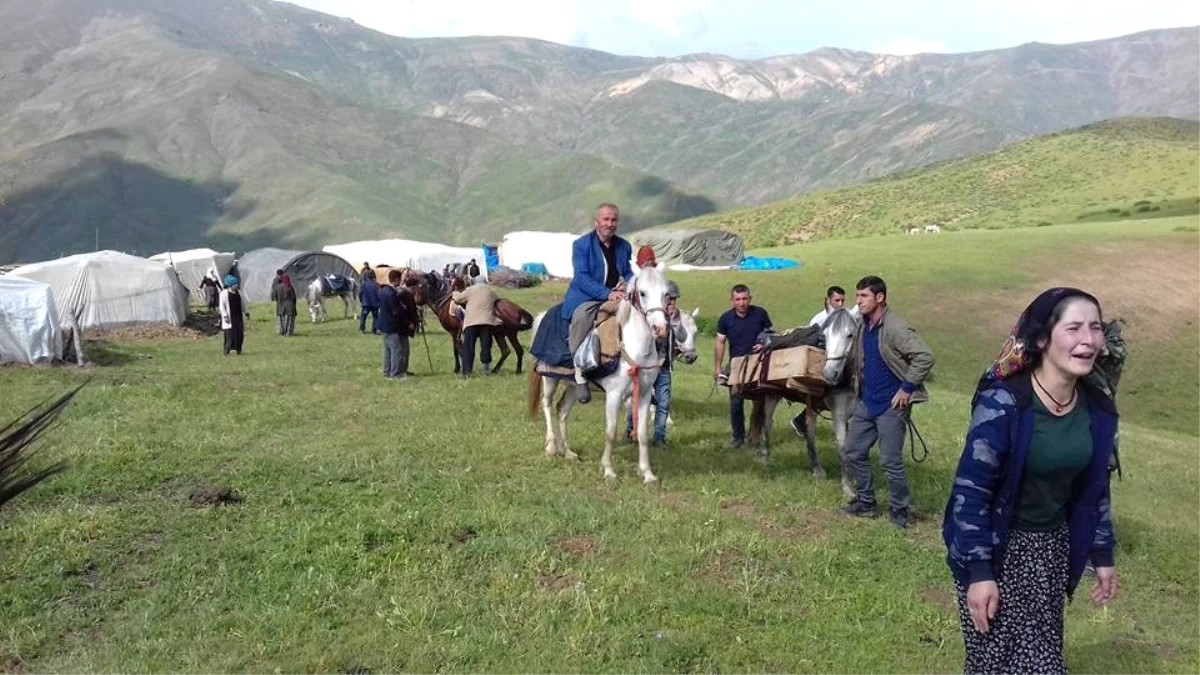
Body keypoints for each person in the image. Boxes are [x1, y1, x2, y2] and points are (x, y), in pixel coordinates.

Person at [943, 288, 1119, 673]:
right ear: (1041, 338)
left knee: (1042, 658)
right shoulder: (1005, 404)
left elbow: (1094, 489)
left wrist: (1101, 553)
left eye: (1095, 328)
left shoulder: (1098, 410)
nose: (1087, 340)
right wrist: (979, 573)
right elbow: (969, 494)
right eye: (1073, 328)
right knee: (994, 663)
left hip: (1050, 554)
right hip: (996, 551)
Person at [841, 276, 934, 529]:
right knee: (853, 450)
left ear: (880, 298)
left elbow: (924, 357)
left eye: (864, 296)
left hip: (892, 406)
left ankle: (900, 510)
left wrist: (906, 389)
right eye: (857, 295)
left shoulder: (895, 327)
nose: (858, 301)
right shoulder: (863, 324)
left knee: (890, 461)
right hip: (867, 402)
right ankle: (867, 502)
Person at [561, 203, 634, 403]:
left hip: (617, 295)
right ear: (596, 222)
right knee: (581, 319)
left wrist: (627, 283)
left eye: (613, 220)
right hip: (587, 297)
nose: (610, 224)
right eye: (606, 219)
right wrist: (607, 293)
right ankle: (580, 373)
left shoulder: (624, 246)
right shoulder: (582, 245)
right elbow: (581, 277)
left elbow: (627, 272)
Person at [625, 280, 686, 448]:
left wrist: (675, 321)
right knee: (636, 399)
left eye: (674, 300)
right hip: (647, 366)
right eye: (669, 299)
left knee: (663, 402)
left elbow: (682, 337)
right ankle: (630, 431)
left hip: (664, 366)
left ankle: (659, 437)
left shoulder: (675, 316)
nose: (671, 303)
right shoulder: (651, 314)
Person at [791, 285, 855, 437]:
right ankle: (802, 420)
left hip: (841, 361)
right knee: (824, 392)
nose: (840, 304)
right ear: (827, 300)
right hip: (823, 359)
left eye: (842, 300)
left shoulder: (847, 316)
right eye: (836, 300)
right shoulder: (819, 319)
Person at [713, 284, 772, 448]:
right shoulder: (725, 319)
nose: (742, 303)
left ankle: (756, 436)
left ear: (750, 299)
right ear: (732, 301)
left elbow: (771, 333)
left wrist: (764, 343)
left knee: (760, 401)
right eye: (738, 299)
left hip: (759, 362)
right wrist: (717, 368)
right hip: (736, 364)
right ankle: (738, 437)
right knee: (736, 402)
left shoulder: (760, 314)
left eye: (745, 299)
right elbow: (720, 342)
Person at [452, 282, 502, 378]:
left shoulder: (471, 289)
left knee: (468, 347)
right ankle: (486, 369)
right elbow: (497, 300)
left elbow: (458, 299)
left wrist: (455, 292)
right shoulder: (491, 290)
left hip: (472, 322)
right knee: (486, 345)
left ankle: (467, 372)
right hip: (487, 322)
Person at [376, 270, 418, 380]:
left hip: (383, 325)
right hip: (391, 326)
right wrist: (408, 321)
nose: (401, 281)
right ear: (396, 280)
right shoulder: (392, 293)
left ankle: (387, 371)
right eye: (400, 279)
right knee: (397, 349)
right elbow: (396, 311)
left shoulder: (383, 290)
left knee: (388, 350)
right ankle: (395, 374)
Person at [218, 274, 248, 355]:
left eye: (236, 284)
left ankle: (238, 349)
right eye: (234, 284)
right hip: (229, 317)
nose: (236, 285)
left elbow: (242, 303)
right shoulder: (224, 294)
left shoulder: (238, 292)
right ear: (230, 285)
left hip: (238, 316)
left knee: (239, 334)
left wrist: (246, 312)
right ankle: (227, 350)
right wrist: (224, 316)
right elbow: (221, 306)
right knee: (230, 335)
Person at [270, 271, 297, 336]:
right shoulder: (290, 287)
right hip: (290, 306)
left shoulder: (277, 287)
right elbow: (294, 297)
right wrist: (294, 304)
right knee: (289, 320)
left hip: (280, 306)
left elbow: (274, 297)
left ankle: (281, 332)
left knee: (282, 320)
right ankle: (288, 333)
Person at [359, 270, 380, 335]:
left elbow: (360, 293)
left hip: (366, 304)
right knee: (375, 317)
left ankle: (362, 329)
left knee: (363, 317)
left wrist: (361, 301)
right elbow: (379, 294)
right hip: (375, 304)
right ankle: (374, 330)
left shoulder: (363, 284)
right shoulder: (376, 284)